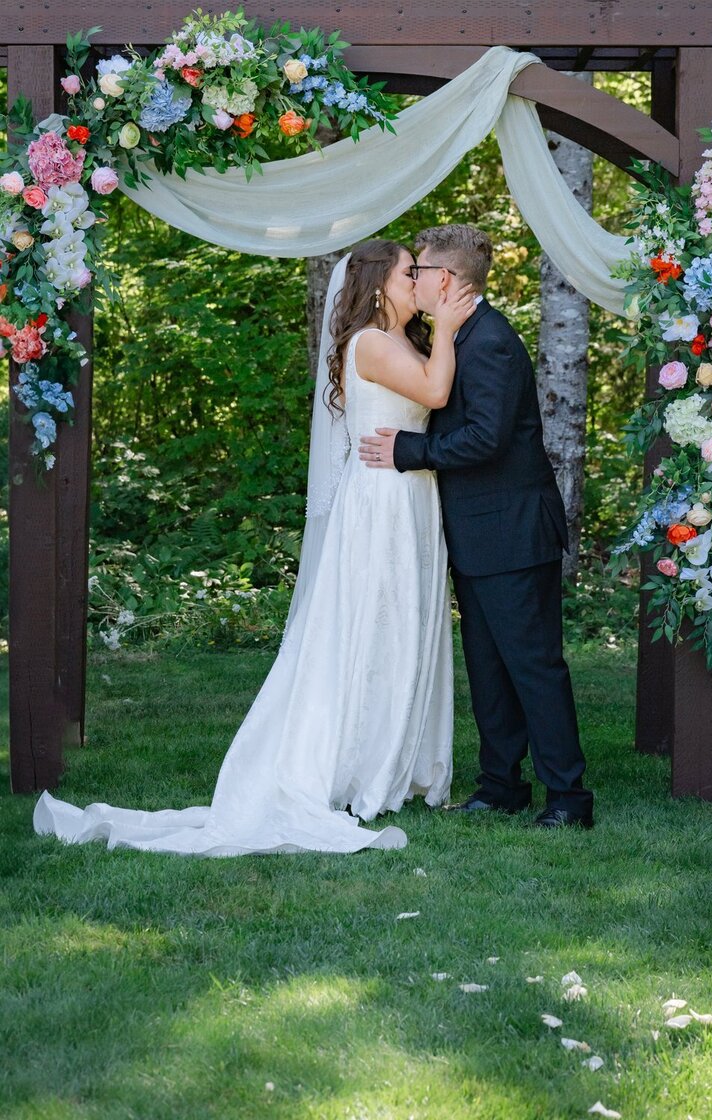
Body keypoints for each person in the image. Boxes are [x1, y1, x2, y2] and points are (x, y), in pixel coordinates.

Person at [33, 240, 476, 855]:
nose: (420, 282)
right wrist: (452, 327)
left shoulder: (402, 338)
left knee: (401, 624)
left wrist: (440, 331)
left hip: (409, 497)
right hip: (380, 503)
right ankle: (361, 763)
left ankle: (392, 755)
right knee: (373, 625)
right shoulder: (371, 343)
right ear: (378, 285)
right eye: (409, 273)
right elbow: (432, 393)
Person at [359, 225, 594, 829]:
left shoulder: (487, 340)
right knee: (488, 666)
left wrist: (410, 450)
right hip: (477, 532)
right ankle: (500, 784)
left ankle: (567, 797)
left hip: (513, 531)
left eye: (418, 273)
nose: (412, 282)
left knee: (534, 665)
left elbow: (487, 439)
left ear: (444, 279)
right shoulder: (454, 336)